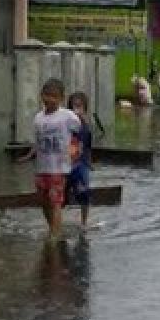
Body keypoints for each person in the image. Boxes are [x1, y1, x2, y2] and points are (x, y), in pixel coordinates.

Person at [18, 78, 82, 241]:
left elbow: (80, 135)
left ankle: (55, 235)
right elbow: (38, 142)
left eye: (54, 96)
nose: (49, 99)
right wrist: (29, 155)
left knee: (55, 202)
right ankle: (53, 228)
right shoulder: (38, 118)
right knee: (43, 201)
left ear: (61, 98)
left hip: (58, 168)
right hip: (42, 167)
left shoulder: (68, 116)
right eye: (46, 95)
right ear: (41, 96)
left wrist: (76, 153)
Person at [66, 91, 94, 231]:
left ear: (84, 108)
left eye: (79, 106)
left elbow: (88, 145)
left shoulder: (86, 125)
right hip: (66, 164)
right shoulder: (65, 123)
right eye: (73, 107)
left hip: (81, 162)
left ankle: (84, 223)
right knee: (61, 195)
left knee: (84, 192)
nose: (76, 110)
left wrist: (89, 162)